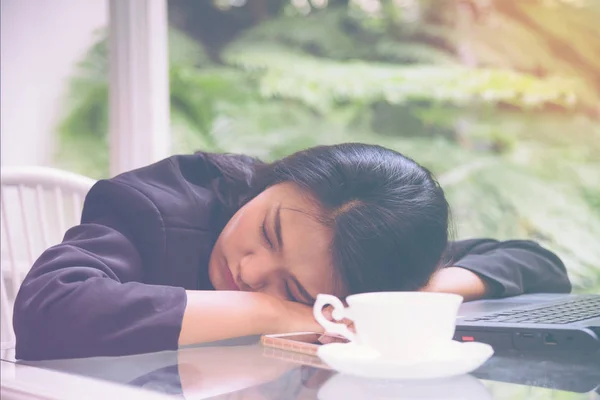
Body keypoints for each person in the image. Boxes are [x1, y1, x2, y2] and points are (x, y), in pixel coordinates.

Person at [12, 144, 571, 360]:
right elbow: (48, 310)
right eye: (269, 233)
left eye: (296, 286)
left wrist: (401, 297)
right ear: (278, 179)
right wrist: (279, 309)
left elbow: (535, 263)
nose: (249, 269)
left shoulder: (359, 245)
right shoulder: (155, 208)